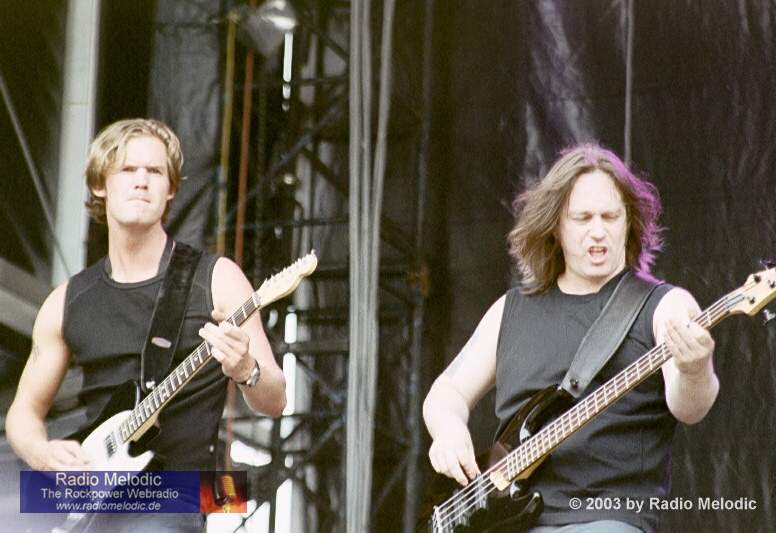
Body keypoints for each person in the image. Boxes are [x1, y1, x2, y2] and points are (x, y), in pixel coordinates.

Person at [5, 118, 287, 531]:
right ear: (99, 185)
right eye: (127, 169)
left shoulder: (217, 279)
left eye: (154, 171)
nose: (141, 181)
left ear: (170, 189)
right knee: (9, 504)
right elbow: (23, 413)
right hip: (94, 487)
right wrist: (41, 452)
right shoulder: (66, 301)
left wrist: (247, 370)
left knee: (210, 501)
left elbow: (275, 400)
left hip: (178, 491)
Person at [422, 144, 719, 533]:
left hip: (606, 517)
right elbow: (447, 392)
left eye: (610, 216)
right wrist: (448, 432)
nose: (598, 231)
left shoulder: (666, 306)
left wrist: (695, 369)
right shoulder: (511, 310)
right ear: (555, 226)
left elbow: (690, 408)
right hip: (506, 519)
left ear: (629, 222)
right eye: (582, 218)